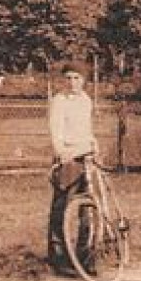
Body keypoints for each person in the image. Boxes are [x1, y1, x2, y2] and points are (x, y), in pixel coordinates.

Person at [47, 70, 97, 267]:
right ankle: (59, 257)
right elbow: (55, 130)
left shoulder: (86, 100)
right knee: (63, 206)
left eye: (77, 78)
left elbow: (87, 128)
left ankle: (86, 258)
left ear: (84, 80)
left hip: (86, 157)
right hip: (68, 157)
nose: (73, 82)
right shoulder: (59, 101)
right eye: (68, 78)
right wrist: (61, 153)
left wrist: (93, 142)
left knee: (88, 208)